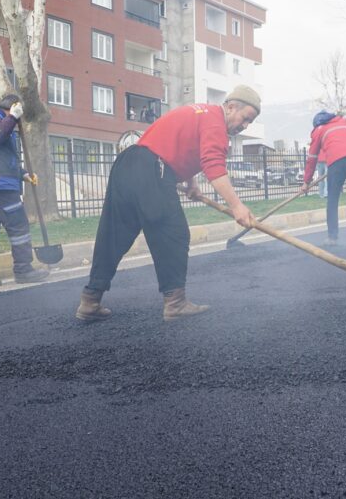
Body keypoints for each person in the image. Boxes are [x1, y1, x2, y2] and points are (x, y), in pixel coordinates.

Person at [75, 85, 261, 322]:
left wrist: (192, 183)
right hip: (152, 166)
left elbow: (185, 146)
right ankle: (175, 304)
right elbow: (213, 163)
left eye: (250, 122)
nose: (245, 125)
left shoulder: (201, 113)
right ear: (231, 107)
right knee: (173, 234)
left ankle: (90, 300)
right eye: (246, 118)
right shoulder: (216, 123)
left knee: (114, 235)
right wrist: (237, 205)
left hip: (128, 163)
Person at [0, 94, 50, 289]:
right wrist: (12, 117)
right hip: (0, 186)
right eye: (17, 112)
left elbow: (3, 158)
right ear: (13, 107)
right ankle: (23, 270)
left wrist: (23, 174)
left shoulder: (0, 122)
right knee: (19, 225)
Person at [300, 111, 346, 246]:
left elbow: (312, 158)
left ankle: (332, 238)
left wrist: (306, 182)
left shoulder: (319, 130)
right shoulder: (344, 121)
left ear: (316, 124)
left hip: (336, 163)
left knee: (332, 200)